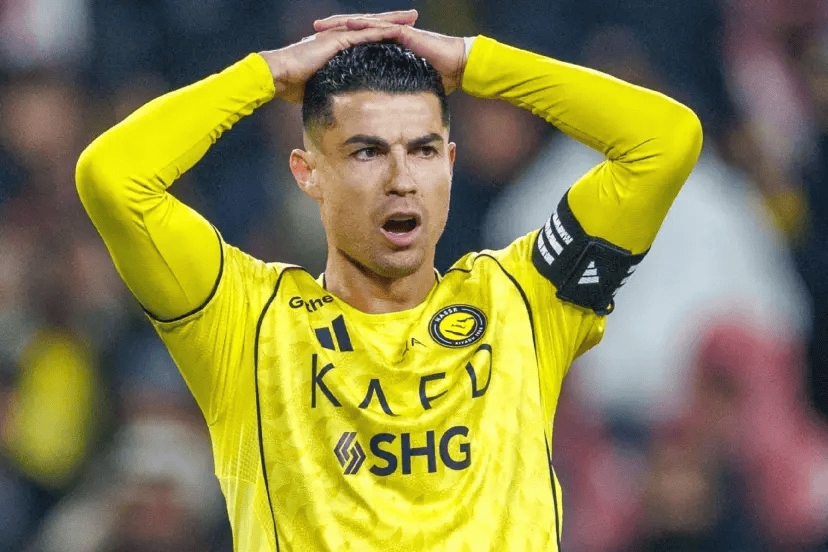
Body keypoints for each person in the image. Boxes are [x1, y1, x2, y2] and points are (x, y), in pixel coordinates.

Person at [75, 10, 702, 551]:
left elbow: (665, 142)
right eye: (367, 151)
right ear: (307, 172)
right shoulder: (246, 321)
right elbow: (113, 177)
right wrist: (268, 73)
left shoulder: (522, 300)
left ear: (450, 163)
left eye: (424, 150)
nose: (402, 180)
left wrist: (475, 62)